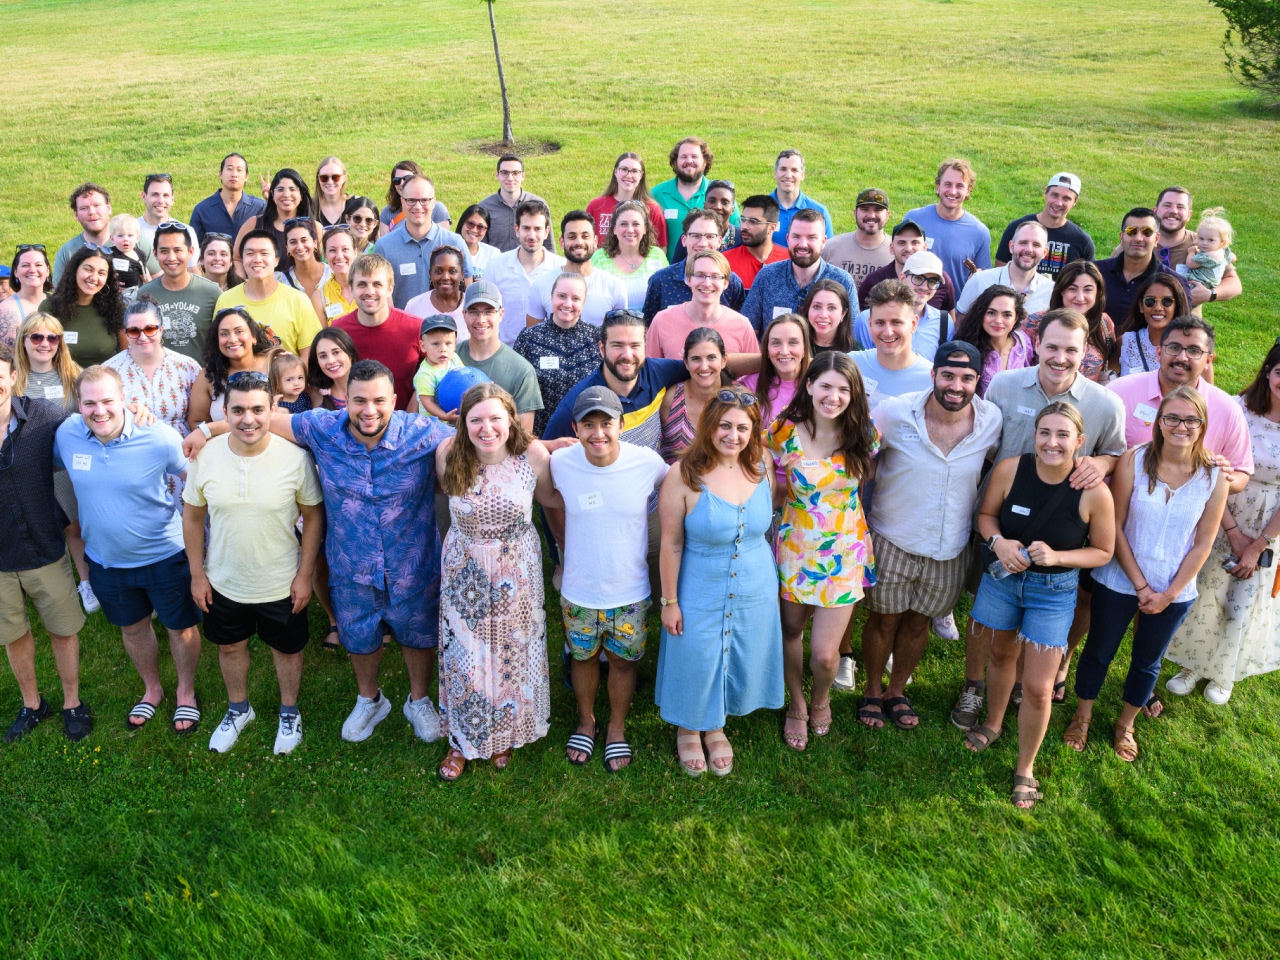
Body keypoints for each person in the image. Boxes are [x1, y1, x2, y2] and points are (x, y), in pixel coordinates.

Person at [187, 359, 455, 745]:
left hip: (412, 561)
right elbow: (259, 419)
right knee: (359, 635)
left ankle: (419, 699)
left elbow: (483, 435)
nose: (369, 410)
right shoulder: (322, 427)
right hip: (351, 564)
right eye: (359, 400)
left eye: (379, 400)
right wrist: (205, 429)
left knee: (419, 635)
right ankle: (370, 699)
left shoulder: (423, 432)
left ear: (395, 400)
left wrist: (544, 445)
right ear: (346, 401)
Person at [951, 309, 1126, 731]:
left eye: (1071, 349)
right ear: (1036, 344)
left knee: (1038, 615)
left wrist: (1099, 463)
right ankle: (975, 685)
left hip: (1062, 530)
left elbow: (1117, 454)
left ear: (1086, 352)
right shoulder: (1006, 386)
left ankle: (1018, 683)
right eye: (1052, 347)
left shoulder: (1106, 403)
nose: (1060, 357)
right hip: (998, 521)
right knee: (984, 610)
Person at [962, 403, 1115, 808]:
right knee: (1000, 655)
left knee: (1038, 686)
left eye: (1063, 435)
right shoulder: (1011, 469)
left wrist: (1059, 556)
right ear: (1034, 435)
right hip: (1004, 580)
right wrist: (998, 542)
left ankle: (1025, 767)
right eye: (1045, 433)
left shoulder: (1094, 491)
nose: (1052, 442)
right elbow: (986, 515)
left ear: (1080, 441)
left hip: (1054, 591)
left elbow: (1103, 551)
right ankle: (994, 722)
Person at [1065, 387, 1227, 760]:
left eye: (1191, 419)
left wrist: (1169, 593)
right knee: (1099, 652)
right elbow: (1115, 528)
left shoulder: (1214, 476)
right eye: (1172, 417)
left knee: (1147, 661)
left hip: (1175, 587)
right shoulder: (1134, 461)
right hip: (1119, 579)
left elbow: (1203, 543)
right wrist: (1139, 584)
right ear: (1159, 422)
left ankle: (1126, 725)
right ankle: (1083, 715)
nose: (1180, 426)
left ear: (1202, 425)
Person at [859, 342, 1002, 730]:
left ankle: (896, 691)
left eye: (967, 378)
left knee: (920, 623)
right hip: (893, 536)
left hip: (950, 546)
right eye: (949, 376)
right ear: (934, 375)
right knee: (883, 620)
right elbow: (858, 461)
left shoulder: (991, 421)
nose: (956, 385)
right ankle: (873, 691)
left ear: (977, 381)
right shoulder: (894, 413)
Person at [55, 365, 203, 734]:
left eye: (108, 400)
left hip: (165, 555)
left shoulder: (157, 436)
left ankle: (186, 693)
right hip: (106, 561)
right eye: (90, 403)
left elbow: (197, 478)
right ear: (78, 404)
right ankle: (152, 690)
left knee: (179, 627)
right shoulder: (68, 434)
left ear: (125, 400)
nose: (99, 410)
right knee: (133, 629)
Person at [182, 371, 323, 754]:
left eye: (258, 409)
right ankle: (239, 709)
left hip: (281, 581)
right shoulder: (206, 456)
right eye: (239, 410)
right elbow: (193, 516)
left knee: (287, 651)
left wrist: (304, 575)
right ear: (224, 412)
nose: (249, 419)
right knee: (230, 648)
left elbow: (313, 516)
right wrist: (197, 575)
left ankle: (289, 711)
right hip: (224, 579)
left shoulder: (294, 458)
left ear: (273, 408)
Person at [655, 384, 783, 775]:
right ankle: (688, 727)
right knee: (697, 652)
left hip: (755, 582)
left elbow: (766, 527)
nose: (733, 436)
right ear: (708, 426)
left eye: (743, 428)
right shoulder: (683, 475)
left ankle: (716, 724)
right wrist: (670, 601)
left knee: (737, 650)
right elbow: (671, 544)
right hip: (700, 581)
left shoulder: (762, 470)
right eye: (725, 426)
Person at [435, 383, 560, 780]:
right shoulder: (449, 455)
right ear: (463, 423)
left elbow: (550, 504)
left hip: (516, 570)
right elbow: (446, 504)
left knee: (510, 654)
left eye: (495, 418)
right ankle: (461, 739)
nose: (486, 428)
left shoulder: (533, 457)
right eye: (476, 420)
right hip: (464, 570)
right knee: (465, 658)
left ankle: (504, 732)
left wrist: (562, 557)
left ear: (510, 419)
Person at [551, 387, 669, 771]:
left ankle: (616, 727)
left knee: (622, 661)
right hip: (579, 589)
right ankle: (587, 720)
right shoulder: (561, 462)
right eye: (588, 424)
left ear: (622, 425)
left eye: (606, 423)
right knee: (582, 658)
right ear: (575, 427)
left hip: (630, 591)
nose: (598, 433)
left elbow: (679, 487)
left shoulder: (646, 462)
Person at [768, 352, 877, 750]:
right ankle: (797, 703)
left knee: (827, 656)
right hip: (797, 549)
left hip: (844, 553)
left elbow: (867, 477)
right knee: (791, 631)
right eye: (826, 386)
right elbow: (760, 474)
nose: (834, 396)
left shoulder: (862, 432)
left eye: (843, 388)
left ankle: (821, 696)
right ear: (809, 385)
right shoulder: (782, 432)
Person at [1166, 342, 1280, 703]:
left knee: (1243, 599)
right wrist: (1229, 529)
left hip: (1269, 522)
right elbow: (1208, 465)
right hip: (1220, 509)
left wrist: (1259, 543)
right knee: (1207, 591)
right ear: (1268, 371)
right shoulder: (1237, 409)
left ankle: (1223, 672)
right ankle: (1192, 664)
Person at [0, 343, 92, 743]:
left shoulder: (44, 416)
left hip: (44, 545)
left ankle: (72, 701)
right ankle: (33, 703)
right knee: (12, 634)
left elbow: (95, 424)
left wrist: (134, 415)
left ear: (12, 377)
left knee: (62, 629)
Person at [1108, 317, 1253, 487]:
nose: (1182, 357)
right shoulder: (1119, 394)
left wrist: (1218, 476)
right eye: (1174, 347)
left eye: (1193, 351)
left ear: (1208, 361)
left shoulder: (1227, 410)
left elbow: (1241, 474)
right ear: (1159, 352)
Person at [15, 314, 92, 607]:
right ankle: (40, 586)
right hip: (26, 467)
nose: (44, 344)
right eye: (36, 337)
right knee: (36, 528)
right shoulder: (13, 379)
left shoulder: (74, 375)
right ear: (24, 340)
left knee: (74, 527)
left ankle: (86, 582)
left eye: (52, 338)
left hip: (68, 466)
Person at [741, 210, 858, 335]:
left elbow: (853, 335)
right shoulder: (767, 276)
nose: (803, 244)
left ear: (823, 242)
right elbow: (748, 331)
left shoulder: (842, 281)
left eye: (811, 237)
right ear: (788, 239)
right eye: (796, 236)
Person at [330, 254, 422, 411]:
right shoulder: (338, 330)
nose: (369, 291)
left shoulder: (416, 328)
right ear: (351, 289)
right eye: (362, 285)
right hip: (356, 426)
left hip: (408, 426)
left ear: (390, 289)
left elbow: (435, 375)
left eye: (377, 284)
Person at [104, 298, 202, 444]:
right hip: (134, 452)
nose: (143, 337)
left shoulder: (187, 367)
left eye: (150, 329)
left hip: (182, 452)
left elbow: (202, 417)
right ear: (125, 333)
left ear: (161, 329)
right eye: (134, 331)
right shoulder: (110, 371)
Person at [514, 272, 601, 435]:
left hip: (586, 436)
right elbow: (515, 389)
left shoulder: (597, 338)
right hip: (540, 437)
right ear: (551, 297)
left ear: (584, 302)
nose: (567, 304)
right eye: (561, 296)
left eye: (575, 298)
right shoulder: (530, 338)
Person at [215, 232, 321, 363]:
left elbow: (309, 356)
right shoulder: (225, 300)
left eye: (264, 253)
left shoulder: (298, 301)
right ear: (242, 259)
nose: (257, 259)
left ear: (276, 260)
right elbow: (217, 350)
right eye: (250, 253)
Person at [371, 176, 473, 310]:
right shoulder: (384, 246)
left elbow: (469, 293)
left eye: (424, 200)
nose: (418, 206)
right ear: (402, 202)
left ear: (434, 202)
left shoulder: (455, 242)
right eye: (411, 200)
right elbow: (379, 294)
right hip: (403, 328)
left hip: (447, 328)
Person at [455, 280, 542, 431]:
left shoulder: (521, 370)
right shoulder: (448, 357)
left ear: (501, 314)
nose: (481, 319)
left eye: (489, 311)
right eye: (473, 311)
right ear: (464, 314)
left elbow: (523, 437)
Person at [136, 221, 222, 363]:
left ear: (191, 252)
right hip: (160, 378)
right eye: (164, 251)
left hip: (202, 378)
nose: (171, 258)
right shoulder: (145, 294)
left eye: (178, 250)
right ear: (155, 254)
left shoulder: (212, 293)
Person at [647, 251, 758, 360]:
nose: (707, 283)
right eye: (700, 275)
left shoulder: (742, 325)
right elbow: (649, 371)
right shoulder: (662, 321)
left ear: (726, 283)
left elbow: (753, 375)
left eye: (715, 276)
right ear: (689, 279)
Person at [524, 211, 626, 329]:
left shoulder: (614, 286)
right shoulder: (542, 284)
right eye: (572, 237)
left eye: (585, 236)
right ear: (562, 242)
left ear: (595, 241)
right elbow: (532, 338)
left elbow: (620, 335)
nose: (579, 242)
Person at [484, 200, 566, 345]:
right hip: (507, 352)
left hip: (549, 354)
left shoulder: (561, 268)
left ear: (547, 232)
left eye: (537, 229)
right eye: (526, 228)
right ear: (517, 230)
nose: (531, 235)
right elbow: (485, 311)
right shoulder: (495, 266)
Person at [641, 209, 745, 322]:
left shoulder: (732, 282)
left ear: (719, 241)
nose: (703, 243)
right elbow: (647, 326)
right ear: (684, 240)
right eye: (696, 236)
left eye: (710, 236)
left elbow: (738, 326)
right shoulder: (661, 280)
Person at [904, 159, 991, 289]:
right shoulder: (914, 219)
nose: (953, 191)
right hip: (913, 303)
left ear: (968, 190)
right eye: (948, 184)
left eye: (960, 186)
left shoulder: (979, 232)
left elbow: (984, 279)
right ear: (938, 187)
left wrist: (979, 277)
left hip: (955, 308)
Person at [1095, 207, 1188, 328]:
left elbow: (1181, 330)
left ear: (1156, 239)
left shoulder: (1175, 283)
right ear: (1121, 237)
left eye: (1147, 232)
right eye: (1131, 231)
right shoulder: (1096, 272)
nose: (1138, 238)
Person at [853, 251, 953, 362]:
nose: (924, 287)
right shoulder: (866, 320)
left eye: (933, 281)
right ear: (902, 278)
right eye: (918, 278)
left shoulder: (944, 322)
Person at [1027, 260, 1116, 383]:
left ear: (1097, 292)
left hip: (1086, 399)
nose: (1080, 297)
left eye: (1088, 290)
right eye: (1072, 289)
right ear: (1061, 290)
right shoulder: (1035, 322)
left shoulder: (1104, 323)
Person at [650, 137, 739, 261]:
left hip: (713, 273)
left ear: (705, 162)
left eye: (694, 156)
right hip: (671, 272)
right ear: (675, 162)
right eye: (683, 157)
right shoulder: (657, 194)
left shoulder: (721, 195)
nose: (689, 161)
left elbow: (736, 234)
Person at [851, 279, 934, 410]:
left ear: (913, 324)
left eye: (896, 322)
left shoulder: (932, 380)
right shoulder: (851, 365)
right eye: (880, 323)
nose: (888, 332)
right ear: (870, 324)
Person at [187, 306, 275, 428]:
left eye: (239, 331)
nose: (232, 339)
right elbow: (196, 421)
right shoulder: (208, 376)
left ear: (254, 336)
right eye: (224, 334)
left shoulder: (275, 365)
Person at [995, 173, 1094, 278]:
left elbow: (1090, 281)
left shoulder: (1082, 241)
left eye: (1066, 198)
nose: (1058, 203)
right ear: (1045, 192)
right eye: (1054, 195)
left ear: (1075, 201)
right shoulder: (1018, 228)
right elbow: (1000, 272)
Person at [40, 246, 125, 367]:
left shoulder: (115, 308)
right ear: (75, 270)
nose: (94, 277)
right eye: (88, 269)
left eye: (101, 273)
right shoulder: (50, 307)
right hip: (62, 381)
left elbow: (126, 355)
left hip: (105, 381)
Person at [659, 327, 731, 464]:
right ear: (686, 362)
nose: (704, 367)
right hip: (673, 483)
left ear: (724, 360)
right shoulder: (672, 397)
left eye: (711, 358)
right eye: (696, 359)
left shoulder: (737, 401)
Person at [858, 219, 958, 315]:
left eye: (915, 243)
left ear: (924, 247)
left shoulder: (940, 279)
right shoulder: (873, 281)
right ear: (892, 248)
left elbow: (948, 321)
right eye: (902, 243)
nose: (909, 248)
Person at [957, 220, 1054, 316]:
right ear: (1011, 246)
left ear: (1045, 252)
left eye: (1036, 245)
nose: (1029, 249)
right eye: (1023, 243)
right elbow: (960, 326)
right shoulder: (979, 281)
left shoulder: (1052, 292)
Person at [953, 284, 1036, 396]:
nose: (998, 321)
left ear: (1016, 318)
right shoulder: (965, 346)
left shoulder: (1023, 343)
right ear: (981, 314)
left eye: (1007, 315)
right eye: (991, 313)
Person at [589, 200, 668, 312]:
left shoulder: (657, 255)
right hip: (610, 326)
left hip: (649, 326)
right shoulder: (599, 258)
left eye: (636, 224)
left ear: (645, 228)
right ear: (614, 229)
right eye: (624, 224)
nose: (630, 230)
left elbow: (666, 295)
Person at [232, 169, 317, 269]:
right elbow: (236, 258)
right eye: (280, 189)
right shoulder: (254, 224)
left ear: (301, 194)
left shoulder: (315, 227)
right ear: (272, 194)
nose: (286, 194)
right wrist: (244, 282)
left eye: (292, 189)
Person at [585, 152, 669, 250]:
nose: (629, 175)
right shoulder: (596, 205)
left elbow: (661, 248)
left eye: (634, 171)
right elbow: (585, 241)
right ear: (615, 172)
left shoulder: (653, 209)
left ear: (641, 175)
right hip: (601, 264)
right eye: (624, 169)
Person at [738, 312, 809, 425]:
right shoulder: (749, 385)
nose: (784, 352)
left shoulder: (818, 385)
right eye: (776, 343)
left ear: (804, 348)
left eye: (793, 343)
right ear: (766, 350)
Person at [479, 155, 555, 253]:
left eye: (515, 173)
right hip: (498, 267)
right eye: (505, 173)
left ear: (523, 176)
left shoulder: (539, 205)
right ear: (497, 175)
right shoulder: (485, 207)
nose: (510, 178)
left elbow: (549, 245)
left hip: (532, 267)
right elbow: (480, 247)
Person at [1118, 273, 1190, 377]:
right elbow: (1106, 381)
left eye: (1166, 301)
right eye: (1150, 301)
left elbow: (1205, 391)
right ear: (1141, 306)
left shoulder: (1194, 347)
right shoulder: (1126, 342)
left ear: (1177, 305)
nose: (1158, 308)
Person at [821, 188, 895, 287]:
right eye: (865, 209)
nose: (871, 215)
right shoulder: (830, 248)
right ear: (855, 213)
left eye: (878, 210)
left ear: (887, 215)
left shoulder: (897, 252)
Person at [189, 153, 267, 246]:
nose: (234, 174)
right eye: (229, 169)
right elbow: (194, 248)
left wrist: (271, 199)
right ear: (220, 174)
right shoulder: (202, 210)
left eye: (239, 170)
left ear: (246, 177)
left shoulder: (260, 207)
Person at [135, 174, 199, 272]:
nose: (161, 201)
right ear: (144, 196)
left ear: (172, 199)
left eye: (166, 195)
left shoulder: (187, 231)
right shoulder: (130, 231)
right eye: (155, 194)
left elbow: (194, 273)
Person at [52, 183, 112, 283]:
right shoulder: (67, 252)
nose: (92, 212)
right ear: (76, 215)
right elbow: (58, 294)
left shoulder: (136, 243)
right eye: (84, 208)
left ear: (108, 208)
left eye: (97, 205)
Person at [724, 194, 788, 289]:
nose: (744, 226)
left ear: (771, 227)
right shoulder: (725, 261)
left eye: (753, 222)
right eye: (743, 220)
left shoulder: (789, 260)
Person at [770, 149, 833, 245]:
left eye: (794, 170)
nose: (788, 175)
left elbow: (828, 250)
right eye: (783, 169)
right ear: (775, 173)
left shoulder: (819, 211)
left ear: (802, 175)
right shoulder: (759, 208)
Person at [404, 245, 468, 336]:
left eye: (452, 271)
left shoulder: (471, 306)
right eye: (438, 271)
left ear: (462, 275)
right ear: (430, 273)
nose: (445, 277)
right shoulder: (414, 306)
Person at [0, 244, 54, 349]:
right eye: (25, 265)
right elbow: (5, 361)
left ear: (47, 270)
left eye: (38, 265)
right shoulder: (5, 310)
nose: (32, 270)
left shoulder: (60, 304)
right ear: (15, 272)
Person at [412, 315, 465, 420]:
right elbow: (428, 401)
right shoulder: (425, 374)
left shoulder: (454, 358)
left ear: (455, 345)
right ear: (423, 346)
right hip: (432, 423)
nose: (443, 349)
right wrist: (444, 416)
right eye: (436, 344)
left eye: (448, 343)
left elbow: (465, 376)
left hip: (453, 414)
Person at [379, 161, 453, 234]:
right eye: (397, 180)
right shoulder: (387, 212)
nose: (402, 183)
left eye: (407, 178)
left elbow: (443, 241)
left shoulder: (438, 209)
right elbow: (385, 244)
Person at [1178, 206, 1236, 291]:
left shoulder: (1207, 256)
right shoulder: (1223, 252)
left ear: (1222, 242)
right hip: (1213, 283)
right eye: (1201, 238)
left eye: (1210, 240)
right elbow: (1233, 258)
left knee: (1177, 279)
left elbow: (1190, 264)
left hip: (1199, 282)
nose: (1204, 243)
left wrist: (1191, 252)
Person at [282, 217, 331, 311]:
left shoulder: (333, 274)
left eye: (304, 240)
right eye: (293, 242)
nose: (300, 247)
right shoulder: (280, 281)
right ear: (287, 248)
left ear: (315, 243)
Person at [305, 327, 359, 411]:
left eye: (336, 352)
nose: (331, 361)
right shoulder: (314, 394)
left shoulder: (371, 387)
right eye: (323, 356)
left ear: (350, 354)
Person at [801, 279, 856, 355]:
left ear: (843, 313)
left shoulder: (855, 352)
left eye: (832, 308)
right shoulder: (795, 347)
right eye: (817, 306)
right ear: (808, 309)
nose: (823, 315)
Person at [316, 227, 358, 322]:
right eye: (332, 250)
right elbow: (323, 335)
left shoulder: (373, 287)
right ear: (325, 256)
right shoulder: (319, 297)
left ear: (355, 252)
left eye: (345, 249)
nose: (339, 256)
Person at [105, 214, 151, 297]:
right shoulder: (109, 254)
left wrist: (151, 287)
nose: (125, 239)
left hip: (133, 292)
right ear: (112, 239)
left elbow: (144, 274)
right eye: (120, 236)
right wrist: (109, 282)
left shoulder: (139, 254)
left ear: (137, 238)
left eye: (130, 235)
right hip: (113, 293)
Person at [455, 203, 500, 277]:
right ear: (462, 223)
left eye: (480, 227)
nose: (474, 230)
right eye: (470, 224)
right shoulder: (447, 251)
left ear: (486, 230)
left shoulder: (493, 254)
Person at [311, 156, 350, 227]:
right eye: (324, 178)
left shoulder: (356, 205)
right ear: (318, 179)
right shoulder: (309, 207)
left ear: (344, 178)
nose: (330, 182)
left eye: (335, 177)